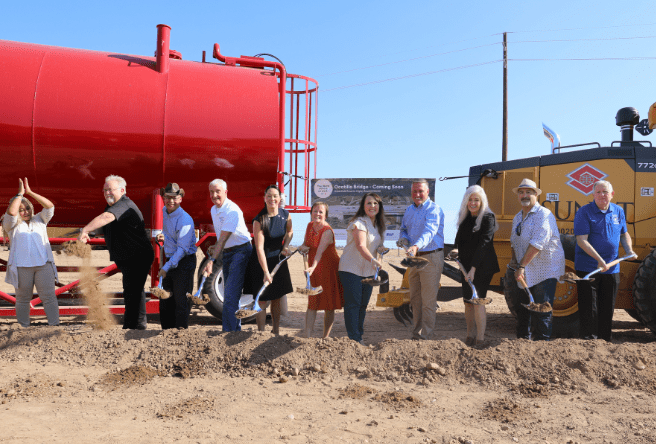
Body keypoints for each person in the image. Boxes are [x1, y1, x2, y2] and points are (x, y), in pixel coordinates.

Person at [79, 175, 154, 330]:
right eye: (105, 190)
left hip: (137, 256)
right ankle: (135, 325)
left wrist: (86, 229)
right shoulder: (114, 206)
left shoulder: (124, 204)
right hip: (129, 256)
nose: (107, 193)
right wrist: (91, 233)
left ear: (122, 190)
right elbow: (109, 226)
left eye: (110, 190)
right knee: (132, 290)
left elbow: (106, 218)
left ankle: (134, 326)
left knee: (133, 291)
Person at [574, 180, 635, 342]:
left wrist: (629, 250)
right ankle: (589, 340)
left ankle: (605, 340)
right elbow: (582, 240)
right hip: (589, 269)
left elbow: (624, 234)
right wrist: (600, 260)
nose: (602, 195)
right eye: (599, 192)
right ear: (593, 194)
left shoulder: (618, 211)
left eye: (605, 192)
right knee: (589, 307)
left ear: (612, 194)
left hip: (612, 268)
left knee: (607, 307)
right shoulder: (584, 212)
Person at [509, 178, 565, 341]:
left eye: (528, 192)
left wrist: (521, 266)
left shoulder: (544, 215)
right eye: (521, 192)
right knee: (522, 310)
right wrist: (515, 265)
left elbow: (537, 244)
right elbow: (515, 242)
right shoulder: (517, 217)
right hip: (524, 269)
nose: (524, 195)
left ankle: (542, 347)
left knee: (541, 310)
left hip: (544, 270)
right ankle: (522, 343)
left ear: (536, 195)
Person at [2, 178, 59, 327]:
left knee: (49, 297)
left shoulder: (40, 219)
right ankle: (23, 327)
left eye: (27, 208)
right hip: (21, 267)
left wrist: (31, 192)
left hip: (43, 265)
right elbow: (12, 212)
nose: (25, 212)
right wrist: (20, 194)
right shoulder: (11, 224)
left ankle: (54, 327)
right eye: (21, 210)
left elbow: (50, 206)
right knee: (22, 299)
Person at [448, 185, 500, 346]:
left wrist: (473, 269)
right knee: (467, 301)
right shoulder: (465, 218)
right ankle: (469, 336)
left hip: (482, 266)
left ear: (482, 201)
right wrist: (455, 250)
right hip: (466, 266)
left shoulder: (488, 218)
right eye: (470, 200)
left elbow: (484, 244)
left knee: (478, 301)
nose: (472, 203)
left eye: (476, 200)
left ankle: (480, 339)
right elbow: (459, 240)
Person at [202, 179, 252, 332]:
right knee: (231, 294)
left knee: (230, 293)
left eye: (218, 191)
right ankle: (234, 330)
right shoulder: (213, 210)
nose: (214, 195)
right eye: (211, 192)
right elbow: (221, 239)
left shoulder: (232, 210)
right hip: (228, 252)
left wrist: (211, 261)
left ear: (225, 192)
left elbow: (222, 239)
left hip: (241, 251)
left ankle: (229, 332)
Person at [397, 179, 445, 340]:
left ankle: (426, 336)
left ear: (427, 192)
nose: (417, 194)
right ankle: (416, 334)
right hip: (414, 259)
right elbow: (404, 229)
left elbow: (429, 231)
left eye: (421, 191)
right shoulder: (409, 210)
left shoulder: (434, 210)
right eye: (414, 191)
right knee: (415, 299)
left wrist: (416, 246)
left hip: (430, 257)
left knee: (428, 301)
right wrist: (403, 239)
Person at [243, 185, 293, 335]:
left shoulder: (286, 215)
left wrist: (287, 245)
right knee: (263, 299)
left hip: (278, 261)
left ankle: (275, 331)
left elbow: (289, 231)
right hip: (261, 262)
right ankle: (261, 332)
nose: (272, 199)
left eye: (275, 196)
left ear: (279, 198)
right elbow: (259, 248)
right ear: (264, 198)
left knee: (277, 298)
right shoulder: (259, 219)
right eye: (269, 196)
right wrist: (265, 272)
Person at [338, 193, 386, 344]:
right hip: (351, 269)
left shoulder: (378, 225)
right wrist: (373, 259)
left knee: (363, 304)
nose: (372, 206)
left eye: (375, 203)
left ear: (379, 206)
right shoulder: (359, 223)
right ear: (363, 206)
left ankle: (358, 335)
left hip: (368, 270)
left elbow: (374, 247)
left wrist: (381, 250)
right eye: (369, 203)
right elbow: (360, 246)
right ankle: (354, 338)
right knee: (353, 304)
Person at [156, 183, 197, 330]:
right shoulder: (163, 212)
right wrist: (161, 236)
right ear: (163, 198)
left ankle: (180, 334)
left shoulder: (185, 219)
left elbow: (182, 250)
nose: (170, 201)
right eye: (167, 197)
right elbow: (167, 234)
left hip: (184, 262)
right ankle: (166, 333)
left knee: (181, 301)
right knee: (166, 300)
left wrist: (165, 268)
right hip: (171, 259)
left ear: (180, 199)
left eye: (174, 198)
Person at [299, 201, 343, 338]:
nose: (317, 214)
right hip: (313, 270)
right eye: (315, 211)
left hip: (329, 269)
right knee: (312, 303)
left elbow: (319, 252)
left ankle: (325, 337)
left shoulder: (327, 231)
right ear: (311, 212)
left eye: (321, 212)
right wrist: (302, 248)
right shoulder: (309, 226)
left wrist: (312, 266)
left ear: (326, 215)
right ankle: (307, 335)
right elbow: (305, 244)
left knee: (328, 305)